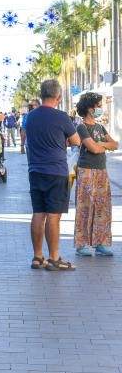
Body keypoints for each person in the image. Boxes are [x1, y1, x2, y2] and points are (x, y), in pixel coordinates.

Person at [25, 80, 81, 271]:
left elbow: (28, 138)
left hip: (35, 171)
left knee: (38, 213)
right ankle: (54, 258)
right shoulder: (61, 117)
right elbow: (76, 141)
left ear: (41, 95)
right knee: (53, 216)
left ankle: (37, 257)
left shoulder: (30, 117)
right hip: (56, 171)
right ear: (58, 97)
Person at [74, 92, 118, 257]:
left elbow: (115, 144)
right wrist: (103, 145)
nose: (100, 108)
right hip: (86, 170)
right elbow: (93, 148)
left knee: (102, 207)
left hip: (101, 171)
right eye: (98, 105)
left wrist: (102, 144)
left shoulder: (100, 127)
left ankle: (101, 242)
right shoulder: (81, 127)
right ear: (89, 108)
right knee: (85, 206)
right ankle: (82, 243)